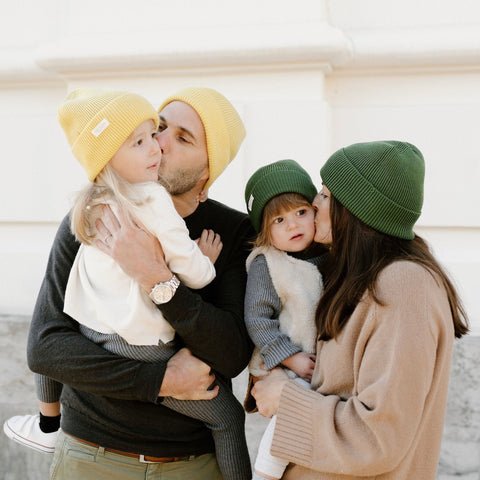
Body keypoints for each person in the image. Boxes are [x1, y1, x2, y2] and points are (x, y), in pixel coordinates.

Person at [6, 87, 251, 480]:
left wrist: (158, 278)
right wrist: (161, 380)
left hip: (190, 464)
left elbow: (231, 353)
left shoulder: (232, 232)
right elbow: (46, 348)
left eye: (182, 137)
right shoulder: (93, 212)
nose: (160, 143)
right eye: (158, 127)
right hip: (89, 455)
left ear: (208, 169)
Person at [251, 140, 469, 480]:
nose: (313, 203)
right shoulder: (358, 276)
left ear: (354, 208)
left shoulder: (405, 285)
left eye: (324, 195)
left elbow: (378, 437)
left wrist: (286, 401)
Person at [242, 159, 326, 480]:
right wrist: (289, 359)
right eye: (280, 219)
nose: (294, 225)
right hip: (280, 362)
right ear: (265, 229)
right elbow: (258, 318)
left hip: (316, 363)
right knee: (287, 419)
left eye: (301, 212)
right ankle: (265, 472)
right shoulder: (268, 264)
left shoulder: (331, 255)